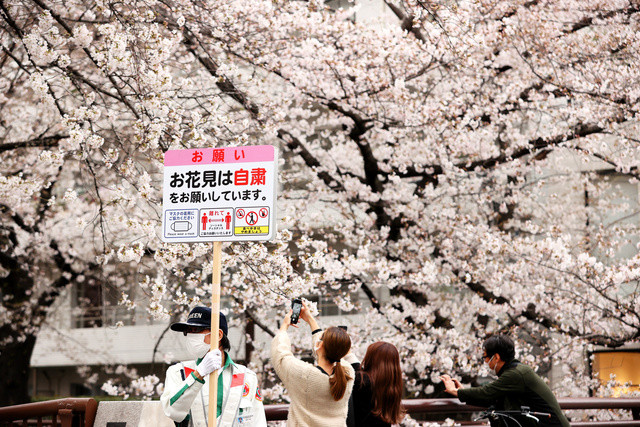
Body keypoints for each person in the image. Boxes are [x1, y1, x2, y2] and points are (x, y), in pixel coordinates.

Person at [160, 306, 266, 427]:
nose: (190, 335)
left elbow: (258, 421)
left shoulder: (246, 377)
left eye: (195, 330)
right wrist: (198, 373)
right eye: (187, 331)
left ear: (218, 335)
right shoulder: (179, 372)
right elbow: (172, 411)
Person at [440, 335, 570, 427]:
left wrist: (456, 392)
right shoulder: (515, 371)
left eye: (485, 357)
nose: (485, 362)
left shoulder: (516, 374)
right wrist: (462, 391)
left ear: (496, 357)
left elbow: (487, 392)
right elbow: (493, 398)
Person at [270, 302, 355, 426]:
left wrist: (284, 326)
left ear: (319, 345)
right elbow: (332, 349)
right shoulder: (348, 373)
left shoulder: (306, 375)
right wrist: (310, 318)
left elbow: (281, 356)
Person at [345, 342, 404, 427]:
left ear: (371, 358)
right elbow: (357, 370)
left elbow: (357, 373)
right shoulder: (393, 386)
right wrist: (349, 354)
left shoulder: (362, 382)